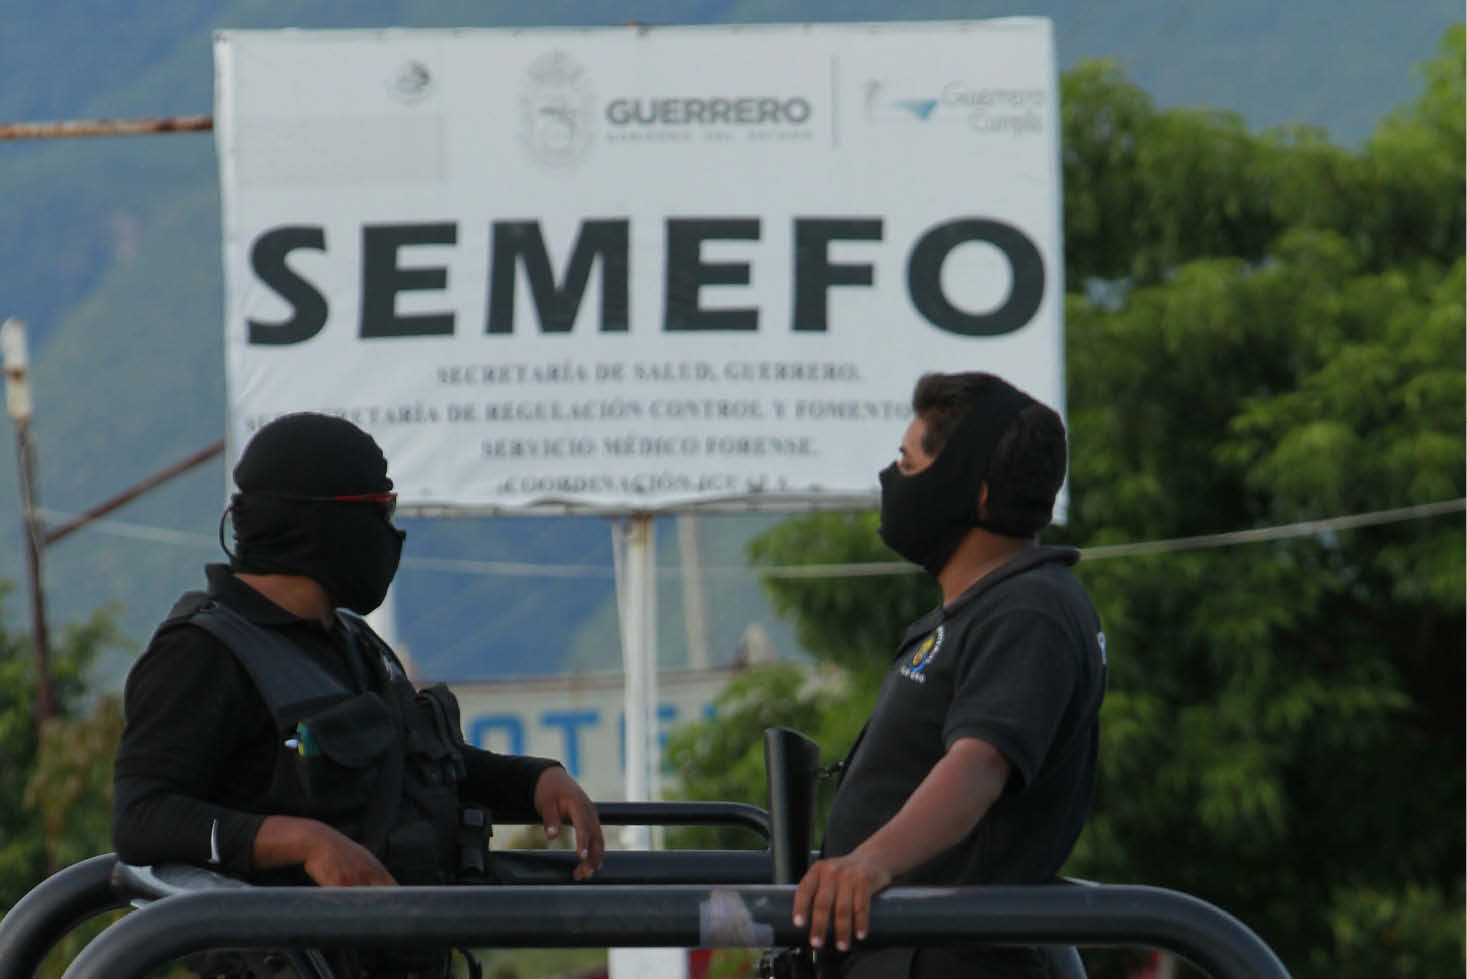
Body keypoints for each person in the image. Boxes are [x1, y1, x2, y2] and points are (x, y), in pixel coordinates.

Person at [112, 412, 604, 976]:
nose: (391, 533)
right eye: (380, 509)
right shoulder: (202, 653)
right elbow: (142, 815)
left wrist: (535, 779)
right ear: (327, 523)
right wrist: (304, 841)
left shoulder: (353, 644)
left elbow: (415, 770)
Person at [792, 372, 1107, 979]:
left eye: (908, 465)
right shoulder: (986, 608)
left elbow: (979, 764)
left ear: (977, 494)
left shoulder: (1030, 611)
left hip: (953, 960)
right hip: (901, 953)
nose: (892, 481)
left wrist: (870, 863)